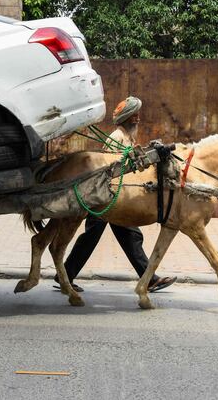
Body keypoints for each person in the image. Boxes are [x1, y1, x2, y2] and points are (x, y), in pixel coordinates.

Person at [55, 96, 177, 293]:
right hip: (106, 196)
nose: (138, 118)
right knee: (110, 236)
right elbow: (111, 167)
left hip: (114, 197)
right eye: (134, 115)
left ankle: (66, 275)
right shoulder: (117, 138)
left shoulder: (127, 137)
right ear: (127, 118)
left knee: (121, 236)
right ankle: (149, 279)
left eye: (137, 115)